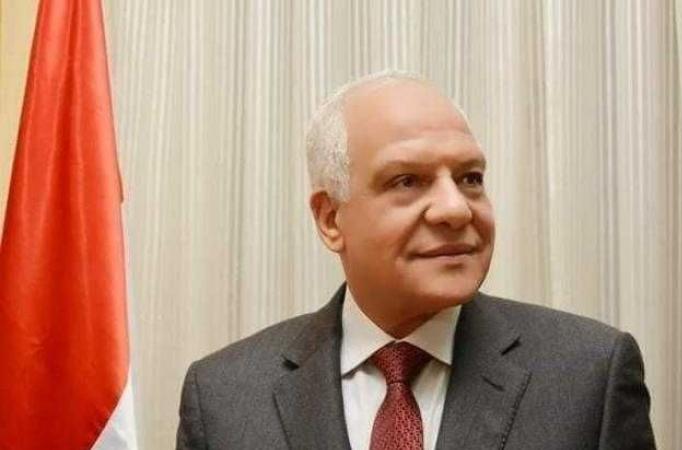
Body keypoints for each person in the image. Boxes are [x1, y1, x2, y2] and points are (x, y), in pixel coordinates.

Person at [176, 71, 656, 449]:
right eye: (407, 181)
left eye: (470, 178)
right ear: (330, 218)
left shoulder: (589, 376)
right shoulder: (224, 397)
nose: (456, 208)